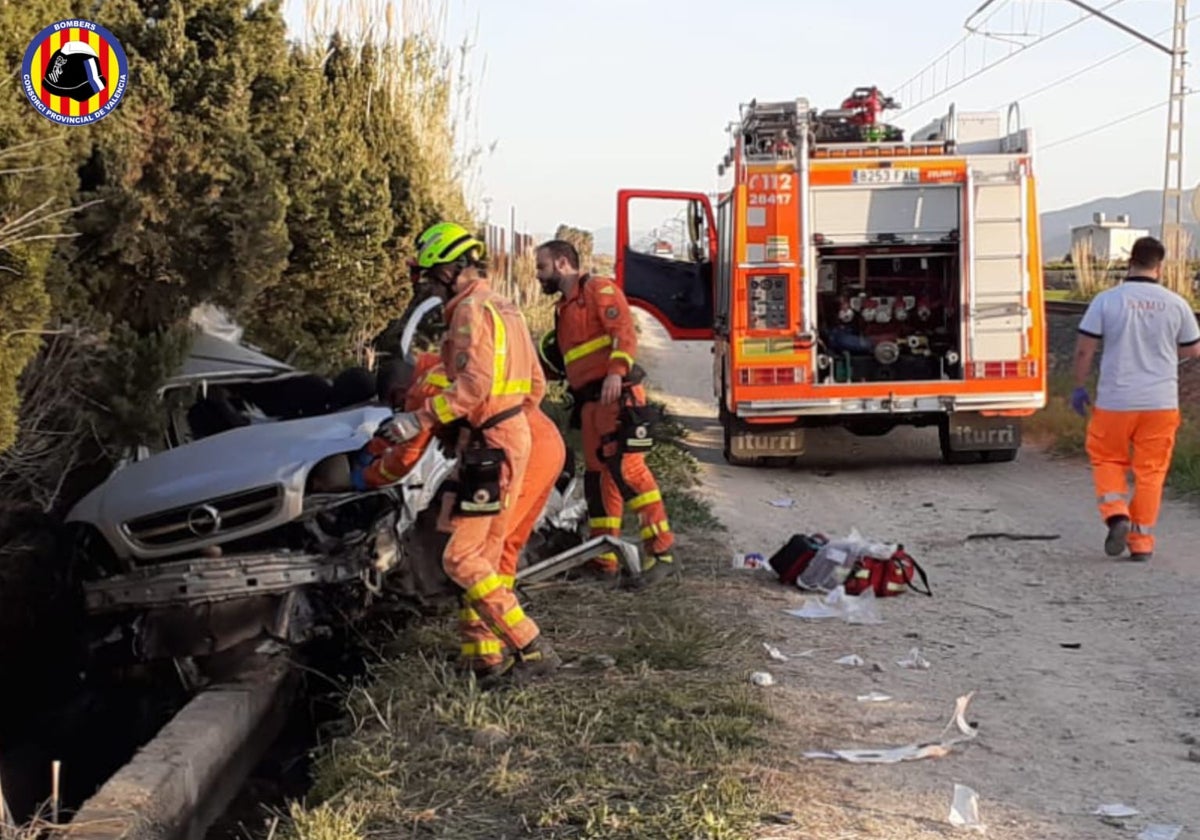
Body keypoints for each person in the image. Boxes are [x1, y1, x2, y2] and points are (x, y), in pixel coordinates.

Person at [371, 221, 560, 684]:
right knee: (487, 555)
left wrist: (419, 420)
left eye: (431, 278)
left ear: (450, 270)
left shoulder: (469, 312)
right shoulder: (505, 308)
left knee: (460, 558)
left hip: (493, 443)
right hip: (508, 436)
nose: (429, 289)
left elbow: (472, 385)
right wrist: (507, 424)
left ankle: (531, 646)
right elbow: (535, 383)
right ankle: (485, 658)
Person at [534, 238, 677, 585]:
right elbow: (564, 361)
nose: (539, 275)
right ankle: (605, 559)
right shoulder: (564, 309)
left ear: (564, 263)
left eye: (542, 267)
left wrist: (615, 371)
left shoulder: (599, 290)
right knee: (599, 481)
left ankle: (661, 553)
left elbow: (623, 334)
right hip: (591, 405)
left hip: (618, 398)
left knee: (629, 471)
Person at [1071, 235, 1200, 561]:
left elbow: (1086, 349)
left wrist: (1079, 385)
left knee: (1107, 458)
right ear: (1160, 265)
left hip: (1116, 401)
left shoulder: (1107, 300)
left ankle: (1116, 514)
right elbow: (1193, 348)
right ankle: (1141, 542)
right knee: (1151, 472)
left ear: (1131, 260)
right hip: (1160, 402)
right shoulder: (1176, 303)